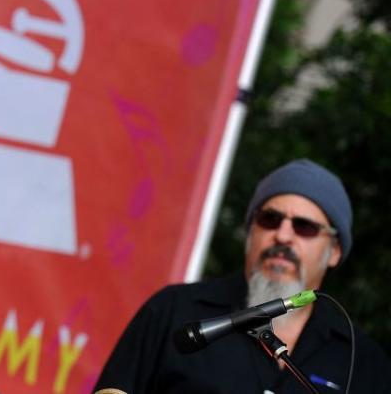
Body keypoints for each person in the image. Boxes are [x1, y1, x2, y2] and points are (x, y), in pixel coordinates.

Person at [94, 159, 391, 393]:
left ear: (335, 251)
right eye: (270, 219)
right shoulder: (174, 311)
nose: (283, 236)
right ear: (250, 232)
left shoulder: (363, 360)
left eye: (304, 227)